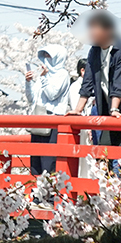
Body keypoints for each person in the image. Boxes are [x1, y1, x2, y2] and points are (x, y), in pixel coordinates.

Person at [69, 11, 121, 148]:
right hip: (107, 111)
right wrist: (78, 110)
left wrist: (115, 109)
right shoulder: (95, 51)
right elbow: (87, 81)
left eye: (94, 28)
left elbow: (119, 82)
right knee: (104, 155)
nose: (91, 32)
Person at [24, 45, 72, 175]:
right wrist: (28, 82)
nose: (46, 58)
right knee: (35, 163)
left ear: (58, 57)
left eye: (49, 55)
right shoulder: (43, 75)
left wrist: (44, 77)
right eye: (44, 55)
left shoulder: (62, 74)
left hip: (52, 122)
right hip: (38, 119)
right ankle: (36, 194)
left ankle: (49, 195)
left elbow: (52, 94)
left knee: (48, 162)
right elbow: (32, 99)